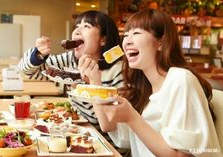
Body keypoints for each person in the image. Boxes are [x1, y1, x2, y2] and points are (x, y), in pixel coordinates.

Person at [92, 8, 222, 157]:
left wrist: (132, 117)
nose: (127, 41)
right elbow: (108, 126)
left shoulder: (180, 79)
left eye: (136, 33)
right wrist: (95, 82)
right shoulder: (144, 90)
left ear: (161, 43)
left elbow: (180, 155)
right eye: (126, 35)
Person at [18, 10, 130, 156]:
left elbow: (111, 123)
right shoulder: (69, 59)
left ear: (103, 39)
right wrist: (37, 55)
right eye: (77, 25)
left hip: (108, 148)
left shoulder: (117, 70)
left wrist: (92, 85)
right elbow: (27, 71)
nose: (77, 30)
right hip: (75, 140)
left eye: (86, 26)